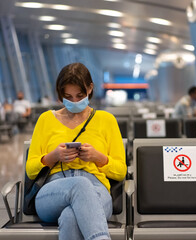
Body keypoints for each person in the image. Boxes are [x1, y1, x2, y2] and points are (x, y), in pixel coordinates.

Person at [26, 62, 127, 240]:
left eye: (79, 96)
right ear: (60, 94)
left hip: (96, 188)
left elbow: (120, 172)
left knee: (70, 217)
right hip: (53, 189)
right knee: (79, 184)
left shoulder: (106, 120)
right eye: (68, 96)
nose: (74, 101)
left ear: (90, 89)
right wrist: (53, 156)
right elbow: (31, 169)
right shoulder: (46, 120)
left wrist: (98, 157)